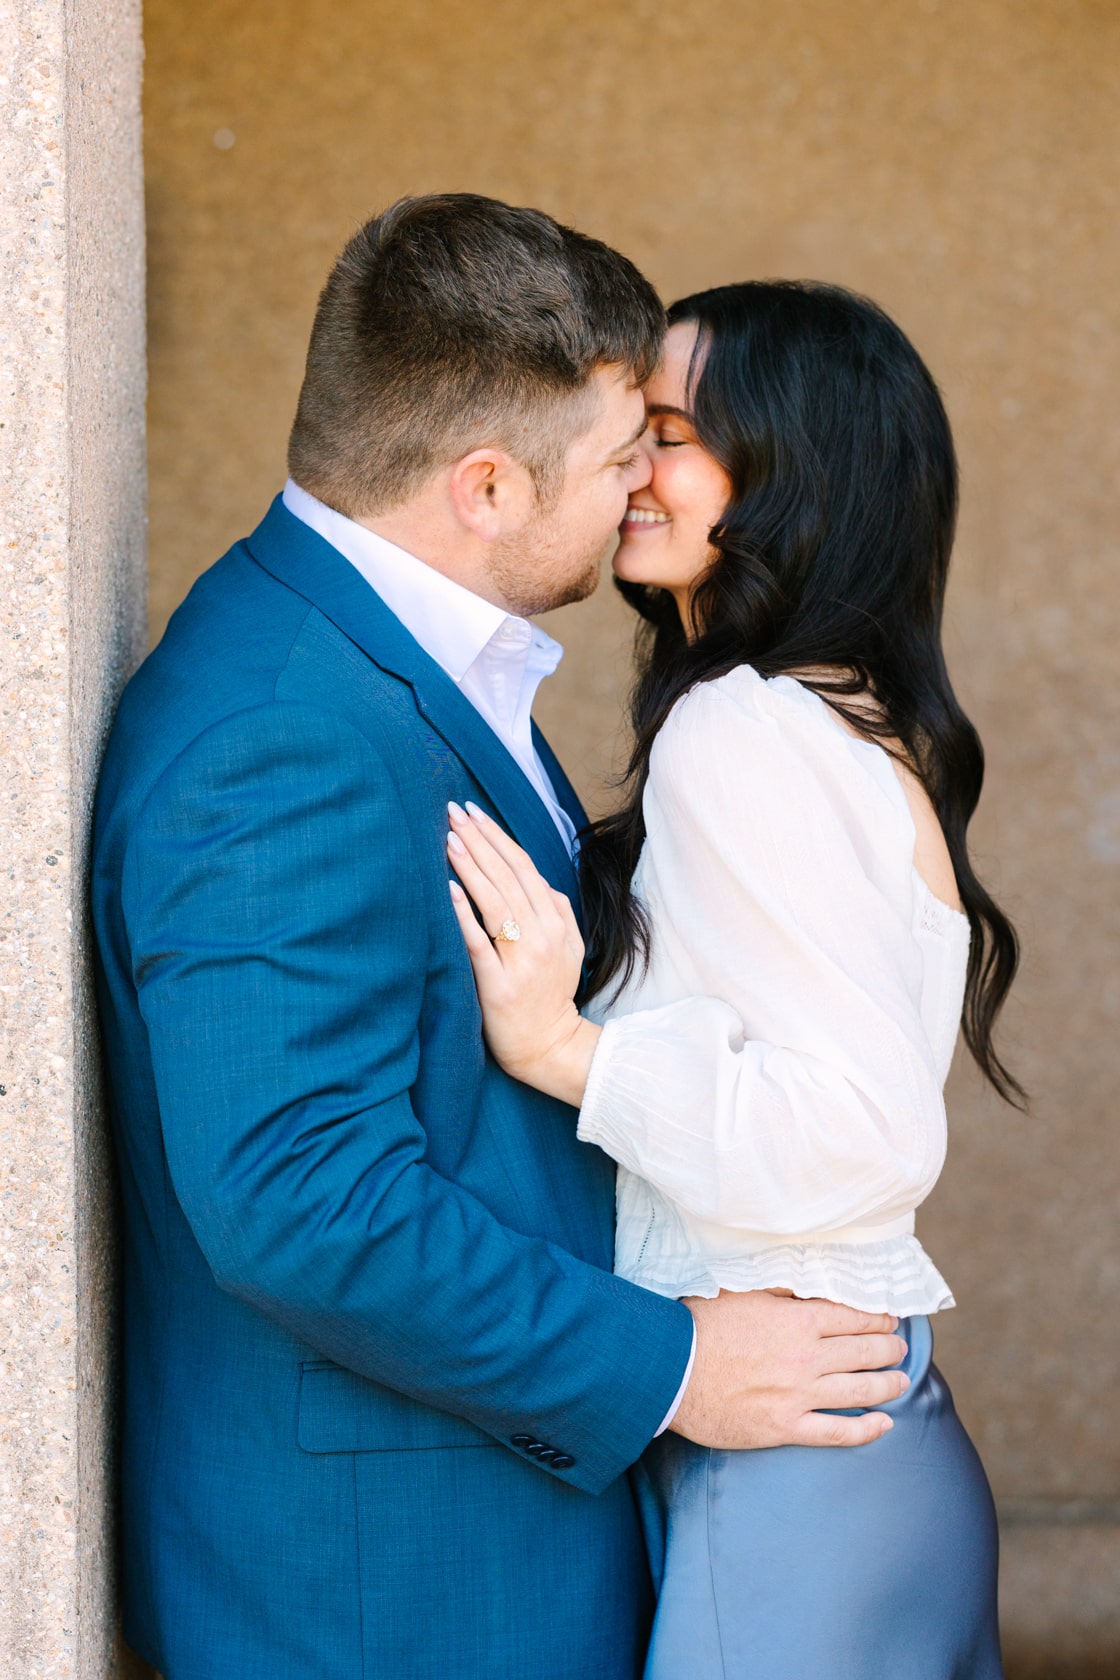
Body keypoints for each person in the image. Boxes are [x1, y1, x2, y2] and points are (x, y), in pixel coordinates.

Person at [91, 203, 910, 1680]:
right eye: (619, 458)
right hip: (384, 1593)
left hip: (485, 1532)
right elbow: (298, 1195)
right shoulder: (283, 730)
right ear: (484, 484)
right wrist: (672, 1368)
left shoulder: (413, 658)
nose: (641, 491)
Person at [447, 280, 1021, 1678]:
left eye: (676, 433)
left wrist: (568, 1056)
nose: (631, 468)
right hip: (844, 1447)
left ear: (791, 472)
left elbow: (864, 1131)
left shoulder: (745, 731)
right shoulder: (838, 718)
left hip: (796, 1469)